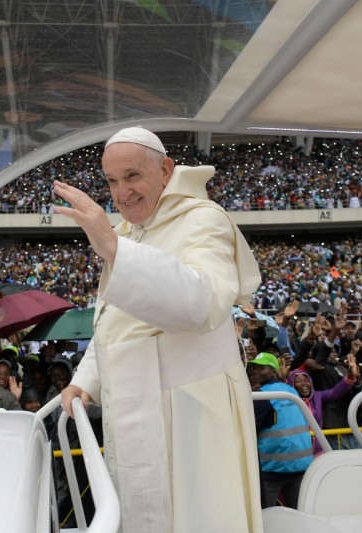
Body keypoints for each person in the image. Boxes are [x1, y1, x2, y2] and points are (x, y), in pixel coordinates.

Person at [53, 126, 262, 532]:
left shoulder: (204, 220)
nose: (122, 193)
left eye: (132, 176)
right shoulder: (128, 232)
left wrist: (114, 249)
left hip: (192, 412)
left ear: (165, 170)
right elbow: (115, 323)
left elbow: (205, 303)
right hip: (135, 402)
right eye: (112, 181)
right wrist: (85, 380)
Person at [250, 352, 313, 509]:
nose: (255, 371)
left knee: (267, 517)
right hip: (301, 465)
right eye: (254, 368)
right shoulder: (290, 390)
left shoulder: (260, 397)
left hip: (272, 470)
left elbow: (250, 430)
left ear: (273, 371)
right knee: (298, 514)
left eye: (261, 368)